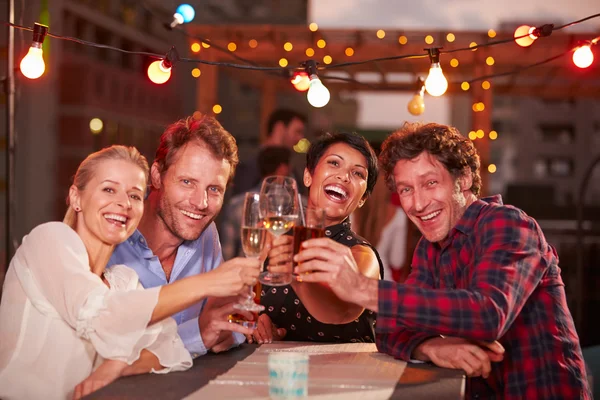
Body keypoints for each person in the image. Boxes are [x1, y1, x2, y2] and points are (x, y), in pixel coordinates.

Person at [293, 122, 591, 399]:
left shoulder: (508, 223)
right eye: (406, 189)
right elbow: (388, 330)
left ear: (464, 179)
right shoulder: (430, 247)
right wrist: (430, 346)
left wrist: (362, 289)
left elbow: (488, 314)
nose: (419, 204)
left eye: (431, 182)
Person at [0, 145, 260, 400]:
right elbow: (100, 314)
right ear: (76, 197)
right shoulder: (49, 240)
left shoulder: (123, 281)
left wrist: (115, 367)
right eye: (109, 189)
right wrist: (208, 283)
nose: (123, 203)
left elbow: (171, 348)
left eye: (134, 195)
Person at [108, 114, 259, 359]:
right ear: (157, 176)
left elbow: (224, 323)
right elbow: (107, 349)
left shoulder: (205, 231)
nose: (201, 203)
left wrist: (234, 327)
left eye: (214, 189)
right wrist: (198, 334)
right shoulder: (111, 236)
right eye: (187, 182)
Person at [252, 132, 383, 344]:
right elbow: (246, 304)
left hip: (345, 374)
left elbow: (342, 311)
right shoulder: (273, 238)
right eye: (334, 163)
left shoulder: (362, 255)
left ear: (362, 199)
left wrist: (294, 276)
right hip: (277, 371)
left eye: (358, 174)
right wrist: (256, 323)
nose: (344, 176)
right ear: (308, 176)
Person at [221, 146, 292, 260]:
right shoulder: (293, 208)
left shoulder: (236, 203)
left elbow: (225, 253)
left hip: (240, 273)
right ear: (283, 169)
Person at [231, 108, 307, 196]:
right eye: (297, 132)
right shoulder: (249, 163)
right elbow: (241, 201)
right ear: (280, 128)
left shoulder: (292, 167)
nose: (300, 138)